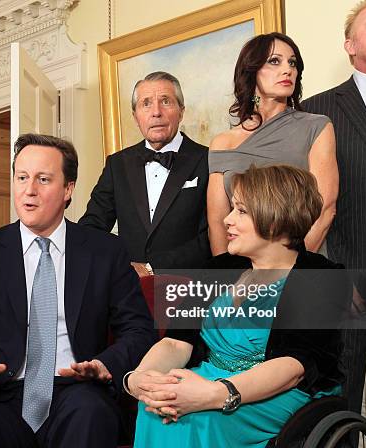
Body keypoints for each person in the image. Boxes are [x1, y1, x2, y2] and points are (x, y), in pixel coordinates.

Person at [0, 133, 156, 448]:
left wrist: (104, 364)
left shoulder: (105, 251)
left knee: (91, 415)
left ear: (68, 189)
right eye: (22, 177)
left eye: (43, 179)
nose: (29, 190)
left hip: (75, 391)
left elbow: (138, 330)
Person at [127, 165, 345, 448]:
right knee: (156, 411)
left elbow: (293, 367)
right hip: (208, 377)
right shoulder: (219, 267)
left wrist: (214, 394)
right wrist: (142, 380)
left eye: (241, 211)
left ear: (275, 217)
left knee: (201, 419)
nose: (226, 220)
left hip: (279, 392)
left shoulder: (322, 277)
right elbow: (176, 343)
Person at [302, 1, 366, 445]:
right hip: (348, 269)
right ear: (350, 44)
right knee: (340, 394)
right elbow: (303, 196)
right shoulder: (317, 110)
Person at [207, 33, 338, 255]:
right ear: (252, 70)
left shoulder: (317, 127)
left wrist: (290, 268)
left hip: (303, 266)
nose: (287, 69)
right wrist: (227, 274)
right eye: (275, 61)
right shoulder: (223, 142)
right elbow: (218, 221)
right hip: (241, 271)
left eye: (293, 63)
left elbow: (325, 209)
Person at [79, 71, 211, 275]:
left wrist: (151, 268)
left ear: (181, 111)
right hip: (129, 293)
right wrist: (119, 266)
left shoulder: (208, 160)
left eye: (165, 101)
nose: (156, 112)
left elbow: (213, 235)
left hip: (191, 292)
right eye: (146, 103)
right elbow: (91, 228)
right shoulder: (117, 164)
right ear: (135, 116)